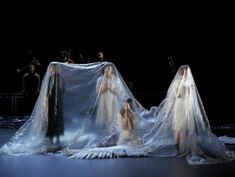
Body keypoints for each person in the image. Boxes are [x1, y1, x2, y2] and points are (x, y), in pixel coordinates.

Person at [95, 64, 126, 129]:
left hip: (113, 100)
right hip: (103, 100)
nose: (107, 70)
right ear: (104, 69)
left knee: (113, 117)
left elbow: (120, 93)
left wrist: (111, 89)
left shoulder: (115, 79)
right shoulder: (100, 79)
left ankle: (112, 132)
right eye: (106, 68)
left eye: (109, 69)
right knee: (104, 117)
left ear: (111, 70)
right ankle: (105, 131)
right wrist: (105, 87)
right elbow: (97, 92)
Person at [46, 63, 65, 145]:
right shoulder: (52, 78)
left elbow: (63, 89)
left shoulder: (60, 79)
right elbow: (48, 91)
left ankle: (55, 137)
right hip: (54, 101)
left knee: (56, 118)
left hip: (57, 101)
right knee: (54, 117)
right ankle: (54, 137)